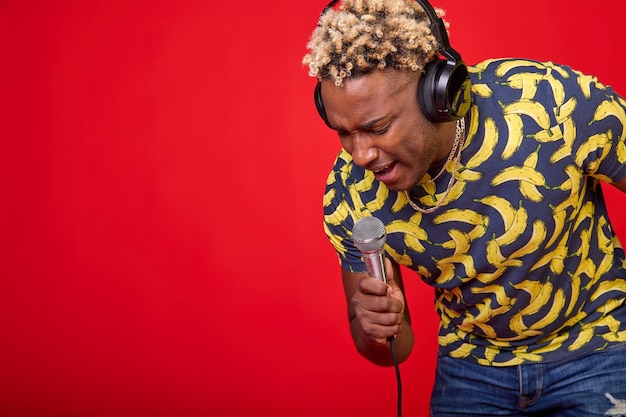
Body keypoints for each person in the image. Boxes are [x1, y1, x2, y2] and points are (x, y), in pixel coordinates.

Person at [302, 0, 626, 415]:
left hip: (598, 346)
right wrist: (372, 329)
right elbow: (393, 350)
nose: (360, 153)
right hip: (472, 365)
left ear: (436, 93)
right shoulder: (351, 194)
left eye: (377, 127)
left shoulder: (549, 105)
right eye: (344, 133)